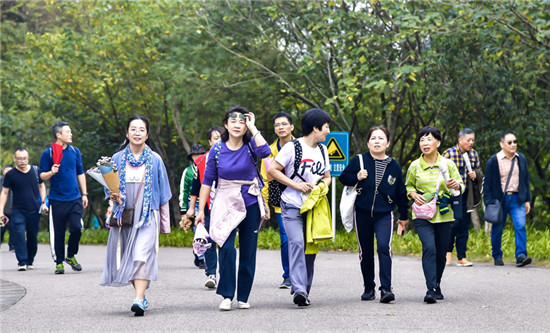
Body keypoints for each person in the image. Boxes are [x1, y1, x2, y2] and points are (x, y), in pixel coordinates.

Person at [195, 106, 270, 311]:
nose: (237, 125)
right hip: (225, 202)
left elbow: (266, 152)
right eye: (233, 122)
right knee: (226, 247)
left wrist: (254, 128)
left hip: (250, 202)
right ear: (226, 125)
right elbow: (207, 181)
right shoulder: (217, 149)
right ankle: (227, 295)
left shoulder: (251, 145)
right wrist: (201, 210)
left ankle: (243, 296)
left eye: (242, 122)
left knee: (248, 250)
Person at [100, 115, 172, 317]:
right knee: (129, 258)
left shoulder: (155, 159)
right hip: (124, 216)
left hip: (147, 216)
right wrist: (113, 195)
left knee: (141, 255)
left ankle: (139, 299)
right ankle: (140, 294)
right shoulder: (116, 159)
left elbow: (164, 193)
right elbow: (108, 189)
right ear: (127, 133)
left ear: (147, 134)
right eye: (133, 129)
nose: (137, 133)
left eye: (141, 130)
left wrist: (165, 224)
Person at [268, 108, 332, 307]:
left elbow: (328, 177)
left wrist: (322, 186)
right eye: (326, 127)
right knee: (297, 243)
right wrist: (296, 185)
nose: (328, 131)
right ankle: (300, 289)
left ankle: (302, 290)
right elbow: (272, 170)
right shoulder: (292, 147)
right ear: (315, 127)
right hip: (292, 206)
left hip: (314, 207)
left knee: (310, 250)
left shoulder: (323, 150)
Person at [339, 126, 409, 303]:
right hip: (362, 213)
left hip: (385, 214)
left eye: (381, 138)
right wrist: (357, 176)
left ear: (388, 142)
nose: (377, 141)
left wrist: (403, 215)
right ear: (368, 142)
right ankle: (368, 287)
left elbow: (401, 192)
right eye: (373, 138)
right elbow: (343, 178)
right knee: (366, 251)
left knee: (384, 248)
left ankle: (386, 288)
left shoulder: (394, 166)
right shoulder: (359, 160)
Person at [404, 126, 464, 303]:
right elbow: (408, 186)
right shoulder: (415, 165)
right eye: (422, 140)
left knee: (441, 252)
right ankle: (430, 289)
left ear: (438, 142)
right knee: (429, 248)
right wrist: (414, 195)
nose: (425, 143)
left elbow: (461, 186)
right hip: (423, 215)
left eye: (429, 139)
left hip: (445, 215)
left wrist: (456, 185)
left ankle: (437, 284)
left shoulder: (448, 164)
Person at [39, 121, 88, 274]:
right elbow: (41, 176)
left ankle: (71, 255)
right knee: (58, 232)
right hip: (57, 199)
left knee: (77, 227)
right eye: (68, 132)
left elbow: (80, 172)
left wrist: (84, 193)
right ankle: (59, 262)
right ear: (58, 135)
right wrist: (51, 172)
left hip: (74, 198)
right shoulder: (48, 153)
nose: (71, 134)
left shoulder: (75, 151)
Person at [484, 130, 532, 267]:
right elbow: (487, 184)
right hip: (500, 201)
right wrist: (489, 202)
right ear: (502, 144)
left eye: (515, 142)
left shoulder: (520, 158)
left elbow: (525, 180)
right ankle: (497, 255)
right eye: (509, 142)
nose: (513, 144)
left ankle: (521, 256)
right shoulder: (493, 161)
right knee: (497, 229)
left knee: (520, 226)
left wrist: (527, 199)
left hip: (517, 199)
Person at [260, 112, 295, 289]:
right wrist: (264, 204)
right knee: (285, 238)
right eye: (277, 125)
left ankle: (301, 272)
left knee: (300, 239)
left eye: (284, 124)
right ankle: (288, 275)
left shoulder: (301, 146)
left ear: (291, 127)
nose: (280, 127)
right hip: (280, 200)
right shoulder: (269, 151)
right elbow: (264, 180)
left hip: (301, 199)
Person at [186, 126, 225, 289]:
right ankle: (211, 274)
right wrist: (191, 208)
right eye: (216, 138)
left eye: (222, 137)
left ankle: (226, 273)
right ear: (209, 141)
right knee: (208, 240)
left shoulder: (231, 157)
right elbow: (195, 186)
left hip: (226, 206)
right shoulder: (201, 161)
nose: (219, 141)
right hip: (207, 205)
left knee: (225, 242)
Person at [0, 148, 47, 271]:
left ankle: (30, 259)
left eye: (24, 158)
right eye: (19, 158)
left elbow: (42, 186)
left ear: (28, 158)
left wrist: (44, 202)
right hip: (17, 211)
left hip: (34, 209)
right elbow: (4, 193)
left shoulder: (36, 171)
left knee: (32, 236)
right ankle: (22, 261)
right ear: (15, 159)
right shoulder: (10, 175)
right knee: (19, 234)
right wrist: (1, 211)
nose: (22, 161)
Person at [442, 128, 483, 267]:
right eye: (468, 140)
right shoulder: (448, 154)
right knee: (454, 224)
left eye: (473, 140)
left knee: (464, 225)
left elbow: (479, 171)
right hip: (453, 195)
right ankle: (448, 252)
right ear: (460, 140)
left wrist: (476, 174)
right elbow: (440, 175)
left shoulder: (474, 154)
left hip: (468, 195)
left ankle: (462, 256)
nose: (471, 143)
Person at [179, 143, 207, 269]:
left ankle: (203, 254)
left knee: (208, 232)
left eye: (200, 155)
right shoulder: (188, 171)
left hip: (208, 203)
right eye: (195, 155)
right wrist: (183, 210)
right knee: (198, 231)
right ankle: (200, 257)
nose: (197, 157)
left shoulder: (209, 168)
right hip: (194, 205)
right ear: (191, 157)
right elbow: (184, 191)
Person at [0, 165, 14, 252]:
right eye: (7, 170)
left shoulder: (15, 181)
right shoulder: (1, 181)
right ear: (3, 171)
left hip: (13, 211)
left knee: (14, 230)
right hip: (3, 212)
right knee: (1, 229)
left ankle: (12, 246)